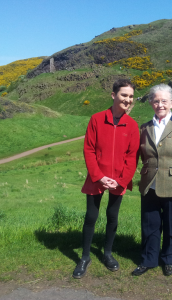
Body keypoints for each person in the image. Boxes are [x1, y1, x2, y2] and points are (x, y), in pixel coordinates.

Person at [73, 79, 140, 279]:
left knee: (112, 216)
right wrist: (99, 176)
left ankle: (107, 254)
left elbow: (132, 156)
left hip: (119, 179)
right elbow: (89, 149)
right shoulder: (96, 119)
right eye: (123, 95)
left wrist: (120, 180)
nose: (127, 100)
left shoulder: (133, 125)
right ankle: (85, 257)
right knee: (91, 217)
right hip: (97, 178)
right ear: (113, 95)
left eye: (130, 96)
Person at [132, 84, 172, 276]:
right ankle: (148, 260)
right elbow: (142, 155)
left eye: (164, 101)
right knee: (150, 225)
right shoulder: (144, 127)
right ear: (151, 102)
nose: (160, 104)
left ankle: (169, 259)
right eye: (156, 100)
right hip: (150, 184)